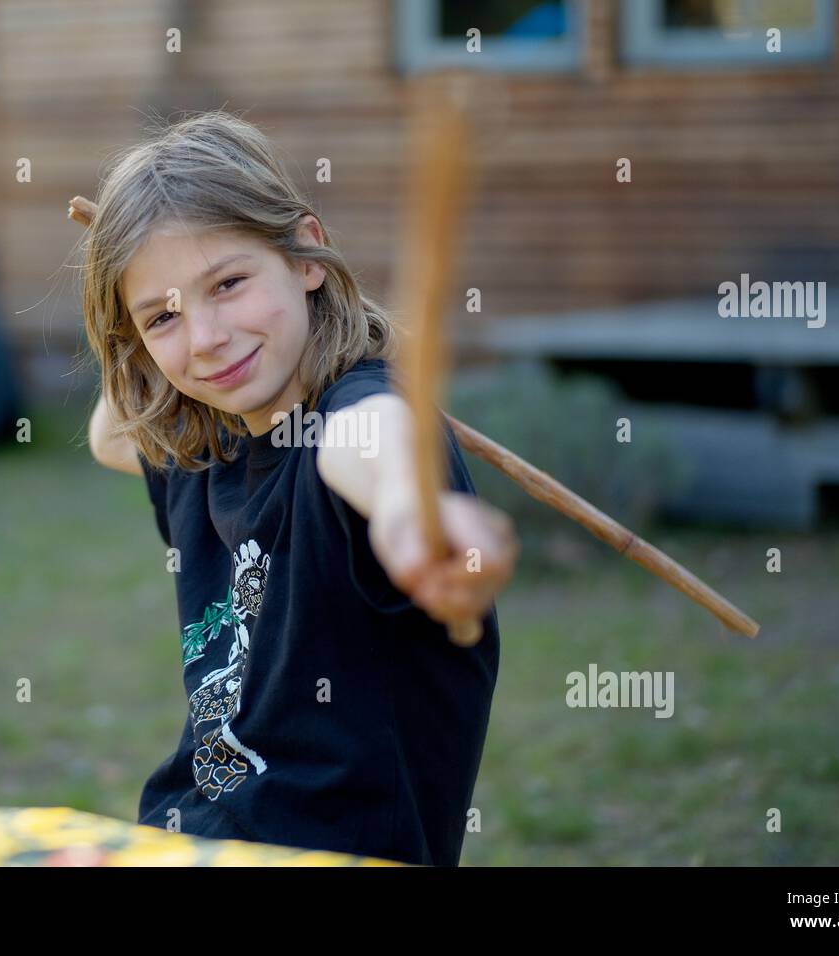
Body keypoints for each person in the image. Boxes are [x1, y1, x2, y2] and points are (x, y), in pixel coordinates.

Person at [81, 111, 518, 866]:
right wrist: (135, 264)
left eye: (230, 283)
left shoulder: (361, 413)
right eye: (165, 320)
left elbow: (370, 452)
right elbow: (110, 435)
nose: (207, 336)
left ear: (307, 252)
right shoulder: (206, 443)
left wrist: (421, 517)